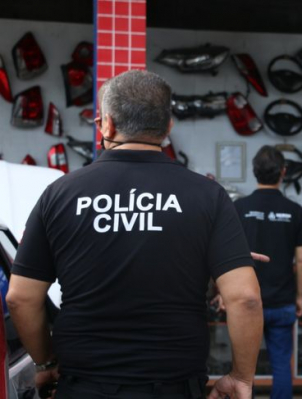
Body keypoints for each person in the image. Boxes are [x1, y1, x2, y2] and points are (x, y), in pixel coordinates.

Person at [6, 70, 263, 399]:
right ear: (168, 128)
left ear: (107, 125)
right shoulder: (207, 196)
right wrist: (241, 377)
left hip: (83, 386)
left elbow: (20, 297)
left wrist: (45, 364)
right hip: (175, 388)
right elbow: (245, 298)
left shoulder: (60, 194)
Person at [233, 145, 302, 399]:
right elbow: (301, 261)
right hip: (282, 301)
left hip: (245, 301)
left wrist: (224, 295)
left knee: (245, 369)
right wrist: (299, 297)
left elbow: (226, 255)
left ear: (254, 172)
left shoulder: (239, 208)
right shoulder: (295, 211)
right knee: (281, 366)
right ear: (283, 172)